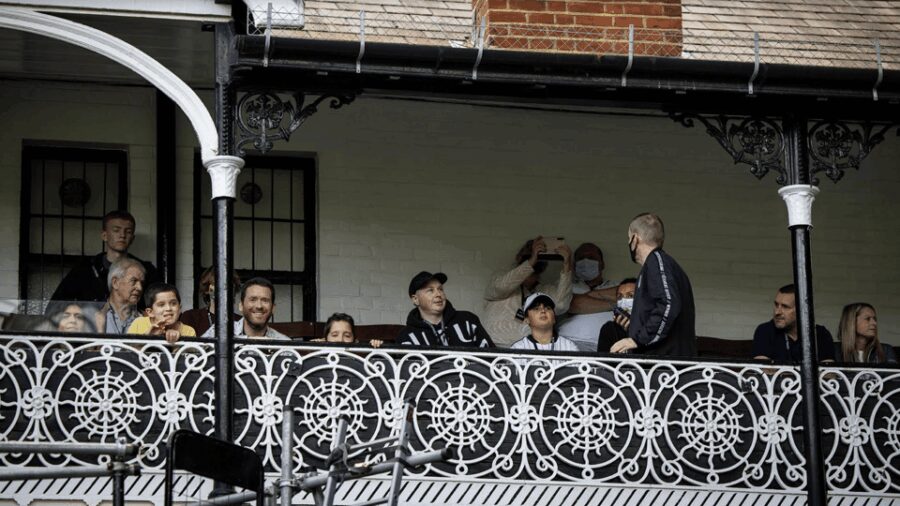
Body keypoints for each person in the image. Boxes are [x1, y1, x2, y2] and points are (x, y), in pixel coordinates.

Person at [610, 213, 696, 357]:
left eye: (629, 238)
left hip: (665, 364)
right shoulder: (660, 264)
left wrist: (638, 339)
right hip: (662, 362)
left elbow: (669, 303)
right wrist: (635, 324)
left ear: (635, 239)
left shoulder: (656, 262)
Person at [50, 210, 159, 307]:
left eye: (128, 231)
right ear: (104, 235)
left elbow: (158, 305)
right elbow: (56, 306)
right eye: (116, 230)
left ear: (132, 238)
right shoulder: (84, 269)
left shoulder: (146, 270)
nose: (122, 235)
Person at [483, 236, 573, 347]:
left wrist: (567, 265)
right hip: (495, 346)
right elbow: (500, 288)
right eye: (530, 254)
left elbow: (561, 305)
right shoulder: (500, 276)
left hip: (529, 349)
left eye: (540, 253)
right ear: (518, 257)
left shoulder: (543, 290)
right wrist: (531, 261)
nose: (536, 255)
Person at [398, 271, 494, 348]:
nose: (438, 294)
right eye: (430, 290)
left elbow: (493, 357)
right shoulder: (406, 336)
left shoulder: (468, 320)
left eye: (440, 289)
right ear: (415, 299)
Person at [751, 284, 835, 363]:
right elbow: (763, 370)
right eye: (776, 305)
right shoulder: (765, 331)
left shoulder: (820, 334)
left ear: (802, 310)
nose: (777, 312)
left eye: (785, 307)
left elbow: (828, 371)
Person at [558, 242, 618, 352]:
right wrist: (615, 304)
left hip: (607, 347)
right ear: (574, 265)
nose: (586, 261)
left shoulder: (616, 285)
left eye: (591, 257)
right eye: (581, 258)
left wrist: (584, 298)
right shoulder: (566, 285)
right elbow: (573, 304)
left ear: (602, 264)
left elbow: (629, 294)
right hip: (568, 344)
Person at [201, 277, 289, 340]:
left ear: (273, 308)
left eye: (265, 300)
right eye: (253, 299)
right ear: (241, 306)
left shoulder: (283, 343)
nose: (259, 306)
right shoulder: (219, 332)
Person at [180, 266, 241, 335]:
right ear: (207, 289)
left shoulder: (241, 322)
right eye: (216, 284)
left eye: (227, 285)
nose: (223, 289)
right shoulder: (190, 317)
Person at [127, 283, 196, 343]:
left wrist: (176, 342)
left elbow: (188, 353)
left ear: (180, 308)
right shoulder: (139, 323)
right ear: (150, 312)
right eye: (161, 305)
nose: (168, 308)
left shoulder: (188, 331)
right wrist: (148, 337)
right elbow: (127, 350)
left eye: (173, 303)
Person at [509, 293, 579, 352]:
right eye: (536, 309)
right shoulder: (518, 348)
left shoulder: (569, 347)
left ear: (554, 318)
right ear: (527, 319)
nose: (543, 311)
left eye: (548, 308)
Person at [94, 258, 146, 334]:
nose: (140, 288)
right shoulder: (93, 315)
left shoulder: (146, 319)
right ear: (115, 283)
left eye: (142, 283)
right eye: (133, 281)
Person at [597, 278, 637, 353]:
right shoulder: (610, 329)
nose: (624, 301)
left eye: (630, 296)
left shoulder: (653, 327)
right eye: (620, 297)